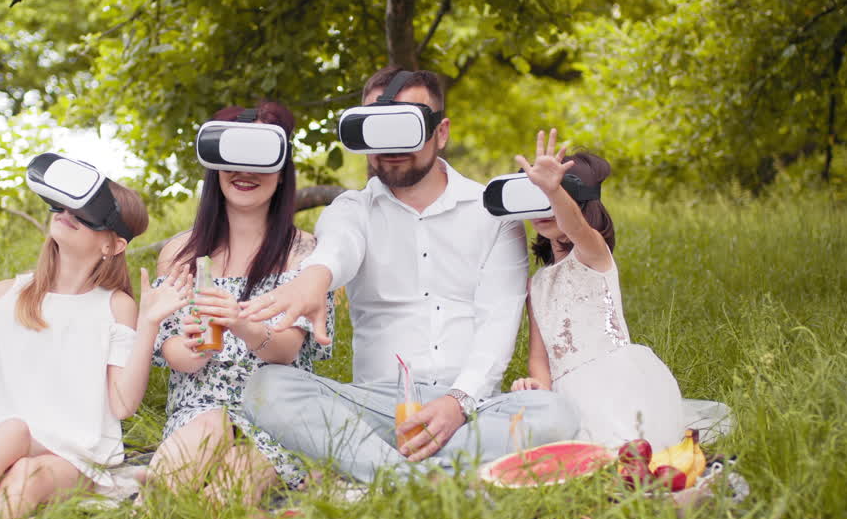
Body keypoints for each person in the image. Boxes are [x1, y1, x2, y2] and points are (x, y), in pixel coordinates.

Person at [238, 68, 579, 484]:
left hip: (470, 408)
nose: (391, 147)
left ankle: (380, 471)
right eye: (375, 130)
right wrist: (315, 277)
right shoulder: (351, 210)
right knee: (266, 388)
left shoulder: (491, 213)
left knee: (555, 414)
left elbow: (498, 323)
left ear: (441, 132)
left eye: (405, 126)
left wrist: (458, 402)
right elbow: (338, 247)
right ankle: (423, 482)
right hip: (379, 407)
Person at [0, 173, 190, 519]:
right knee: (12, 430)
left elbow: (123, 404)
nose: (67, 213)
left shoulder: (115, 306)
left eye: (85, 212)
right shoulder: (8, 293)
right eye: (63, 205)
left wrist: (149, 323)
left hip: (74, 460)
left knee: (31, 473)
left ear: (113, 245)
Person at [148, 101, 333, 504]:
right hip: (198, 409)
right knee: (209, 424)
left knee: (232, 486)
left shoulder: (307, 254)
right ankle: (147, 512)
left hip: (275, 414)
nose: (244, 172)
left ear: (283, 172)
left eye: (261, 158)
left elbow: (288, 352)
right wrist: (194, 344)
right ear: (214, 167)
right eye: (233, 158)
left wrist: (241, 323)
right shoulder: (180, 252)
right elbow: (173, 354)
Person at [507, 130, 687, 451]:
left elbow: (574, 227)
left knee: (624, 453)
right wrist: (537, 388)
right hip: (566, 394)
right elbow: (540, 357)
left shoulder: (593, 253)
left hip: (613, 382)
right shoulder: (538, 284)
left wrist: (553, 190)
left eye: (556, 198)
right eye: (537, 198)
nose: (544, 207)